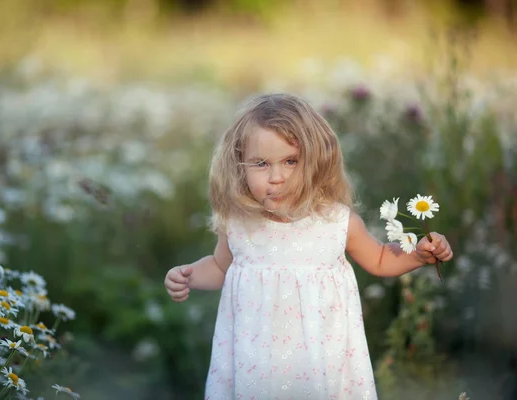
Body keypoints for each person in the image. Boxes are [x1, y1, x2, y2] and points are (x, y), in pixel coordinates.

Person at [164, 93, 453, 399]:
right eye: (261, 163)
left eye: (291, 161)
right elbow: (220, 266)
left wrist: (419, 255)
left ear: (315, 161)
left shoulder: (336, 221)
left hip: (320, 361)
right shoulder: (239, 223)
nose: (277, 177)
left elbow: (380, 259)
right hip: (256, 362)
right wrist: (189, 276)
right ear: (239, 166)